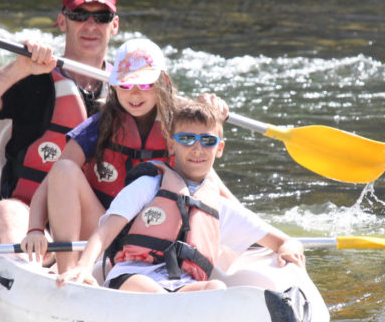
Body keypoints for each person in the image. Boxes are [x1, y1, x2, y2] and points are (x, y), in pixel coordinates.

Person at [59, 99, 306, 292]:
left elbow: (284, 241)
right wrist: (83, 267)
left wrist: (287, 248)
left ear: (219, 148)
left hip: (182, 285)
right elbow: (104, 234)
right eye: (187, 139)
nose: (197, 148)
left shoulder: (219, 207)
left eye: (207, 140)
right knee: (151, 291)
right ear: (171, 144)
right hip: (133, 276)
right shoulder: (147, 186)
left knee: (217, 288)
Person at [0, 0, 119, 244]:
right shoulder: (34, 79)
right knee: (6, 210)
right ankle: (31, 267)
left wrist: (209, 109)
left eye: (101, 17)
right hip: (29, 215)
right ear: (62, 21)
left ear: (115, 25)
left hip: (92, 224)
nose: (90, 25)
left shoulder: (129, 91)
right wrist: (16, 69)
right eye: (79, 15)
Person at [21, 37, 175, 274]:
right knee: (63, 169)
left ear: (163, 82)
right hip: (99, 235)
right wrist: (35, 229)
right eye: (124, 85)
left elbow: (211, 185)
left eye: (144, 85)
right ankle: (68, 271)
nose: (134, 94)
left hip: (152, 236)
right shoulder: (100, 125)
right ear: (113, 86)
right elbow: (52, 180)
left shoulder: (179, 129)